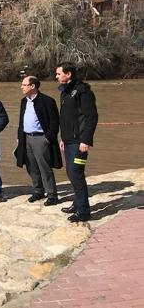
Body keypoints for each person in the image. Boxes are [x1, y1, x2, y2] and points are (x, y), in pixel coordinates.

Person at [55, 63, 98, 222]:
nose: (57, 77)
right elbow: (67, 119)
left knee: (76, 173)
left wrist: (86, 140)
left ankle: (84, 212)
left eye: (59, 74)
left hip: (80, 143)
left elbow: (91, 117)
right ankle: (77, 203)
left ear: (69, 74)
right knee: (71, 174)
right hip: (68, 142)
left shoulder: (83, 92)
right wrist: (63, 138)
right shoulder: (65, 92)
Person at [15, 76, 63, 206]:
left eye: (24, 84)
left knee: (44, 167)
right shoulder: (23, 101)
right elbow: (21, 121)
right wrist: (19, 137)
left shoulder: (47, 101)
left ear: (32, 86)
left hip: (41, 138)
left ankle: (52, 195)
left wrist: (48, 138)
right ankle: (38, 191)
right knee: (31, 166)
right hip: (26, 138)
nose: (21, 87)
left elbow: (55, 122)